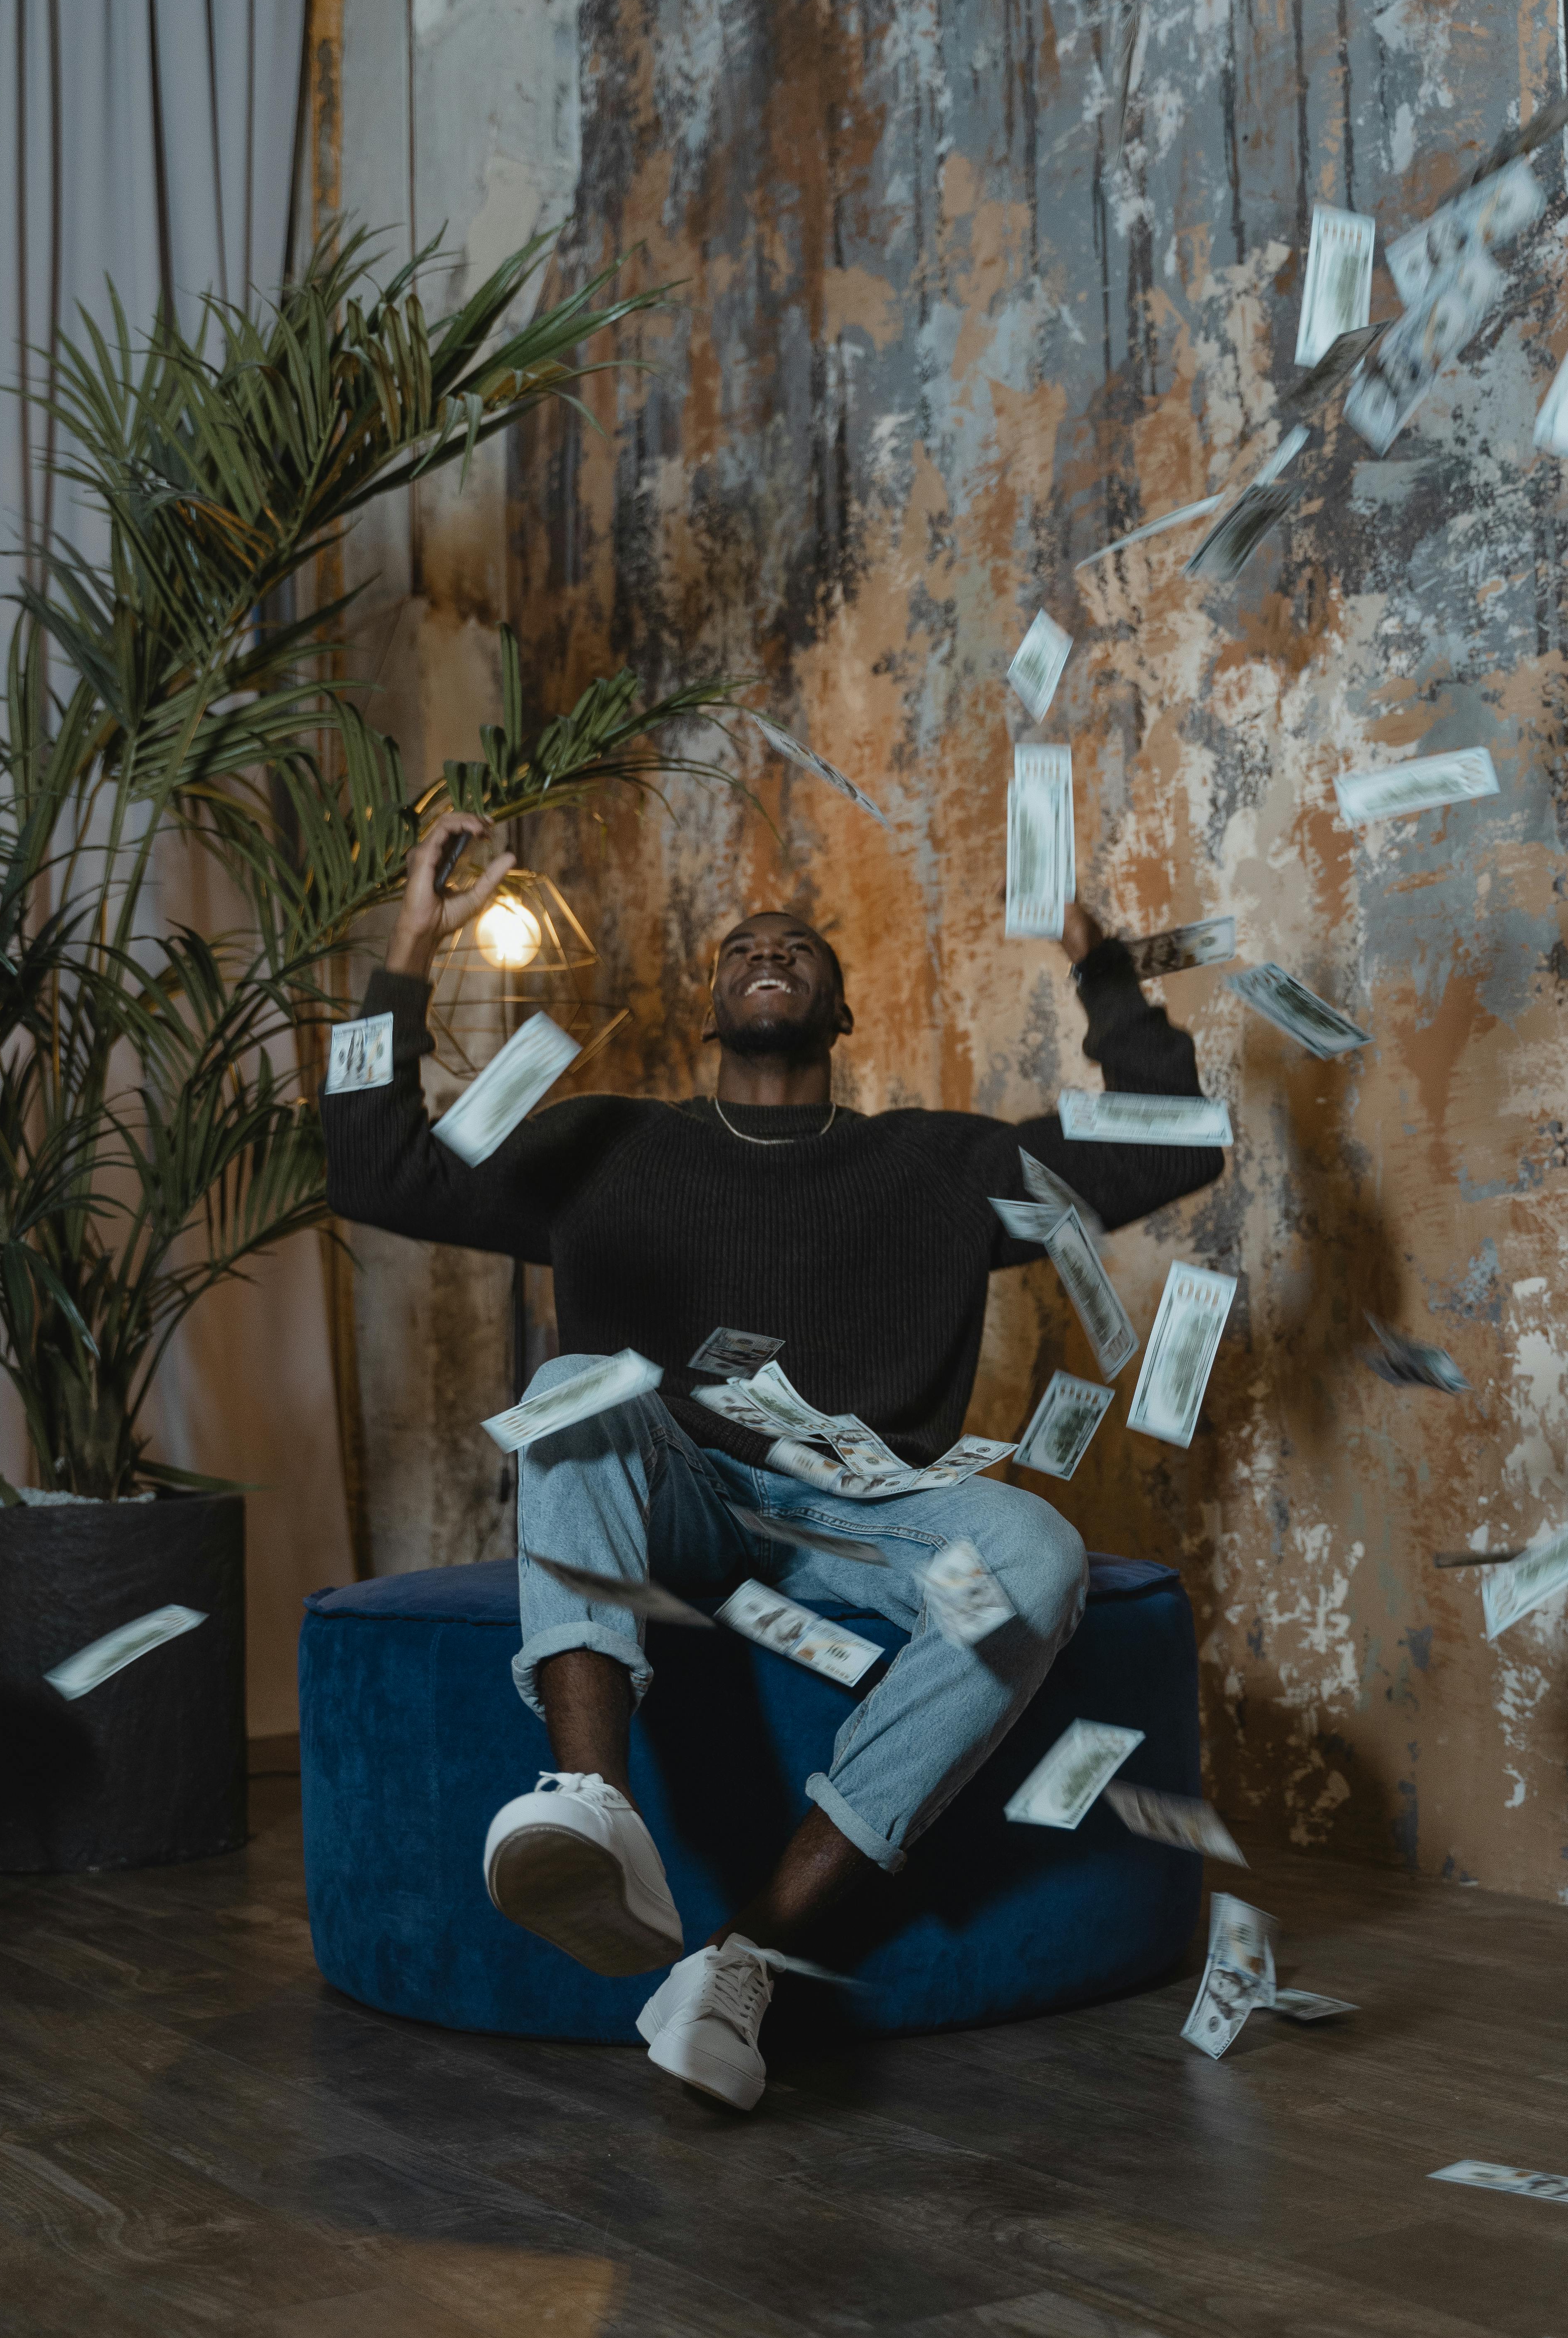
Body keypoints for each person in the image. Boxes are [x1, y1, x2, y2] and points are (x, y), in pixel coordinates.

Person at [323, 811, 1225, 2110]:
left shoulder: (941, 1160)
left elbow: (1175, 1139)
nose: (767, 951)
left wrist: (1096, 960)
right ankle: (589, 1803)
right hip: (673, 1498)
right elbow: (369, 1163)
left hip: (872, 1514)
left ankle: (744, 1963)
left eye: (796, 946)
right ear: (712, 1005)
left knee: (1037, 1550)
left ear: (841, 1012)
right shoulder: (607, 1143)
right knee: (576, 1386)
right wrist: (409, 944)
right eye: (742, 944)